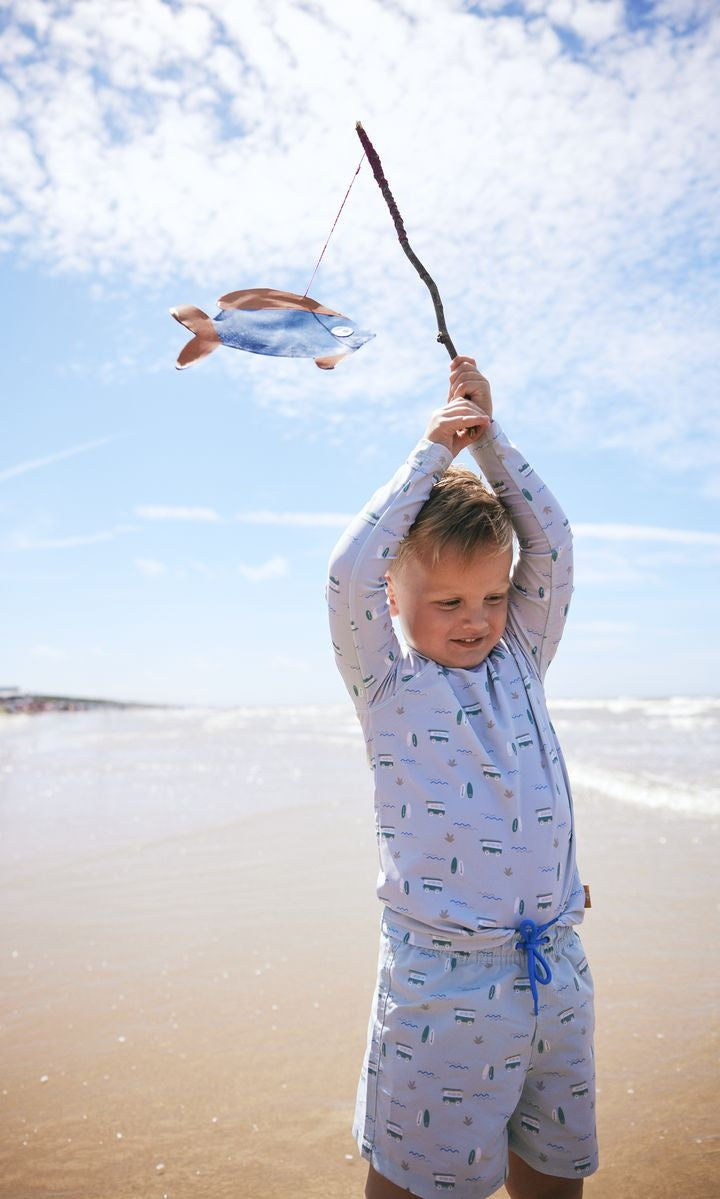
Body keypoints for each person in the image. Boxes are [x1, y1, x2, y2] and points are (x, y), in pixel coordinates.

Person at [327, 357, 597, 1199]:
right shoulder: (389, 685)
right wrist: (431, 454)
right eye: (448, 602)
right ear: (396, 599)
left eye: (490, 595)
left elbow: (551, 541)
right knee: (420, 1181)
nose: (477, 618)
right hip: (445, 985)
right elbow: (345, 572)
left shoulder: (522, 654)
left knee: (555, 1163)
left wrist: (492, 442)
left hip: (554, 962)